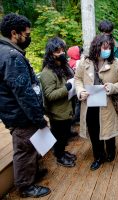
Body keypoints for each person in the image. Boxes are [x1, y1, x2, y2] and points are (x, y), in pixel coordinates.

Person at [0, 13, 51, 198]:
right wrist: (38, 118)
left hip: (16, 112)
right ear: (15, 33)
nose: (28, 37)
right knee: (24, 150)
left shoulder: (5, 52)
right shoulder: (11, 56)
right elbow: (24, 92)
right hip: (21, 115)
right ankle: (25, 186)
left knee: (30, 147)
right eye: (27, 34)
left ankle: (33, 173)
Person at [74, 34, 118, 171]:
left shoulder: (115, 63)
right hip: (89, 103)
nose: (107, 50)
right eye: (104, 47)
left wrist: (112, 87)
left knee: (108, 129)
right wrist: (80, 91)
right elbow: (77, 79)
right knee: (94, 131)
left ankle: (111, 150)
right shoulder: (84, 62)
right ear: (96, 47)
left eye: (109, 47)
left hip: (107, 103)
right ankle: (98, 156)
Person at [39, 37, 77, 168]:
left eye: (62, 50)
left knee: (65, 134)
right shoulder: (47, 73)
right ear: (50, 54)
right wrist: (66, 88)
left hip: (66, 108)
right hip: (57, 112)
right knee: (59, 136)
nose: (61, 53)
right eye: (57, 51)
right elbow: (49, 95)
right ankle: (59, 156)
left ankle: (63, 152)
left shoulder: (61, 66)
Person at [98, 20, 118, 136]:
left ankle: (115, 128)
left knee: (114, 105)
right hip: (99, 80)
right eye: (104, 32)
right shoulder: (96, 42)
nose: (106, 34)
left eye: (108, 32)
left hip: (113, 80)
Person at [67, 45, 82, 127]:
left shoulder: (69, 61)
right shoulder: (78, 62)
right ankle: (76, 118)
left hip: (70, 86)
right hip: (76, 85)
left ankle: (73, 118)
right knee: (78, 103)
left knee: (73, 103)